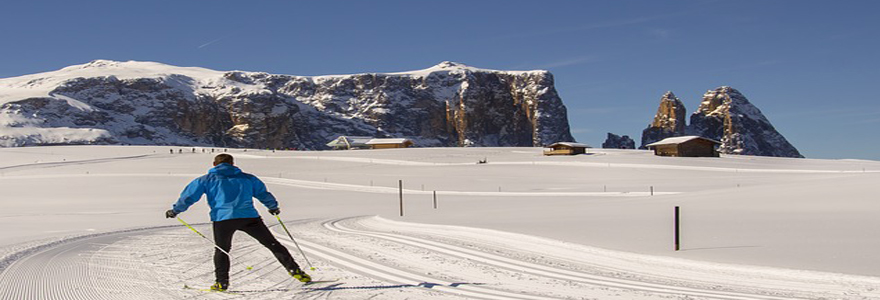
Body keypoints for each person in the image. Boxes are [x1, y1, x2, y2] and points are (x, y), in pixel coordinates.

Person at [165, 154, 310, 291]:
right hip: (249, 218)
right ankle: (295, 270)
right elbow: (262, 193)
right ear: (232, 164)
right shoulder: (248, 178)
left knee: (222, 250)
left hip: (223, 219)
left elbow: (189, 197)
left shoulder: (205, 180)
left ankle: (221, 282)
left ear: (214, 164)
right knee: (272, 244)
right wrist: (272, 207)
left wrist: (176, 210)